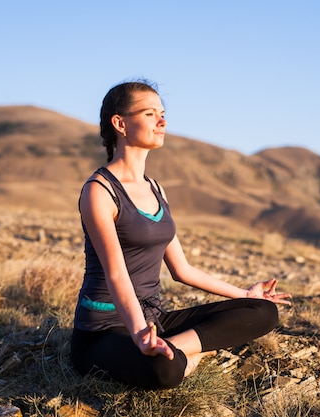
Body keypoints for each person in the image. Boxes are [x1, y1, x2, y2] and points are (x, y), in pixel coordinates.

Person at [70, 80, 291, 389]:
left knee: (263, 312)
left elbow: (182, 270)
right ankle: (181, 351)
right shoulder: (100, 191)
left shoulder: (156, 189)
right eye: (149, 114)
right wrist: (138, 335)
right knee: (164, 371)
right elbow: (117, 275)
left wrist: (245, 295)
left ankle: (177, 348)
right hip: (105, 330)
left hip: (154, 319)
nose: (162, 121)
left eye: (162, 113)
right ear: (120, 123)